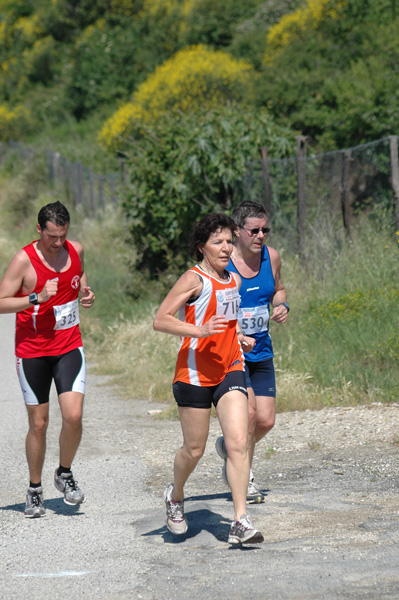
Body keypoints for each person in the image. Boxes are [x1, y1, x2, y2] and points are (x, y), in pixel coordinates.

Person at [153, 213, 264, 545]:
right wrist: (199, 331)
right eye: (218, 242)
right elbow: (161, 320)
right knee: (195, 449)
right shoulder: (193, 279)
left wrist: (239, 335)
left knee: (238, 442)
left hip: (229, 367)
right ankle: (175, 496)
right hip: (194, 373)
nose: (226, 247)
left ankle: (240, 521)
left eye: (230, 240)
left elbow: (229, 321)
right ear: (202, 247)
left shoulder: (234, 279)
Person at [0, 201, 95, 518]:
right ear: (39, 229)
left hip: (69, 345)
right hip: (32, 351)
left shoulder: (76, 250)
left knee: (73, 415)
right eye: (52, 236)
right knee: (38, 424)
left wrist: (85, 293)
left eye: (62, 236)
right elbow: (1, 302)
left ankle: (64, 473)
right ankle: (35, 490)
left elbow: (79, 279)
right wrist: (35, 298)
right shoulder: (23, 261)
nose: (58, 243)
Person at [215, 200, 289, 503]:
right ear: (237, 231)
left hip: (261, 350)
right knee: (247, 414)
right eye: (254, 230)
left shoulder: (271, 257)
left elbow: (279, 289)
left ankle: (230, 449)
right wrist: (234, 332)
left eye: (265, 230)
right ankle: (245, 475)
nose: (261, 236)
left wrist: (281, 305)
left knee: (266, 420)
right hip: (233, 353)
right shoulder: (223, 261)